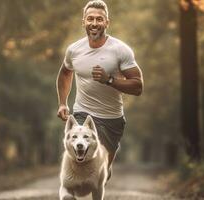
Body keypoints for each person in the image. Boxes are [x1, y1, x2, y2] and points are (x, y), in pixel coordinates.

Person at [56, 0, 143, 181]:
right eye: (90, 19)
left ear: (107, 23)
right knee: (79, 162)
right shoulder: (74, 50)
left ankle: (103, 171)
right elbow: (65, 73)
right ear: (83, 22)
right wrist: (63, 103)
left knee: (101, 173)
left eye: (99, 19)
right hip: (82, 112)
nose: (94, 23)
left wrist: (109, 80)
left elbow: (137, 86)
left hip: (111, 118)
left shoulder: (120, 50)